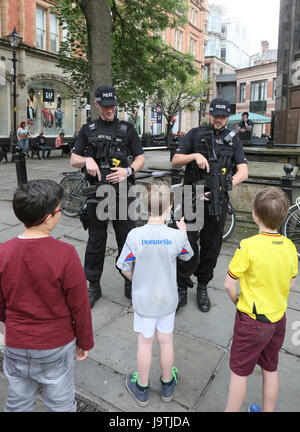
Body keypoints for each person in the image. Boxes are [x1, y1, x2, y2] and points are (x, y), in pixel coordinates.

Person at [0, 179, 94, 412]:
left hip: (16, 342)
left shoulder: (3, 251)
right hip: (56, 344)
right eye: (59, 209)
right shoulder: (65, 254)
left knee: (18, 402)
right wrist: (84, 341)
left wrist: (8, 322)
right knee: (60, 402)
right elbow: (80, 305)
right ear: (49, 217)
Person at [117, 182, 193, 406]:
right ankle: (168, 384)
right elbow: (187, 256)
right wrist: (184, 234)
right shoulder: (176, 237)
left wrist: (137, 280)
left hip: (143, 300)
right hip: (167, 299)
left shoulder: (134, 235)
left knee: (145, 342)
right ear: (170, 208)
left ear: (143, 206)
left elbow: (124, 266)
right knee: (166, 341)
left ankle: (141, 387)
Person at [224, 187, 298, 412]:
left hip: (252, 321)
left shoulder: (249, 246)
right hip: (278, 320)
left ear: (255, 215)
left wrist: (237, 300)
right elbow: (291, 283)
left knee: (239, 373)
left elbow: (228, 284)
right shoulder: (290, 247)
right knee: (270, 368)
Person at [71, 85, 144, 308]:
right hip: (97, 195)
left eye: (113, 105)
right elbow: (74, 159)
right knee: (96, 241)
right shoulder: (88, 129)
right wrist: (87, 160)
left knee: (127, 240)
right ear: (97, 105)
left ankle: (129, 281)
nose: (110, 109)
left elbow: (140, 158)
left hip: (123, 194)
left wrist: (128, 170)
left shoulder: (127, 128)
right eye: (106, 106)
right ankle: (93, 284)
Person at [172, 98, 248, 312]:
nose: (218, 120)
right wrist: (195, 155)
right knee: (185, 242)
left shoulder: (233, 140)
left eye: (223, 117)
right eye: (215, 115)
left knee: (211, 245)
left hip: (217, 199)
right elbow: (175, 160)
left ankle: (203, 284)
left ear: (227, 117)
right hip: (190, 195)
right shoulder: (194, 134)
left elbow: (243, 171)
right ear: (209, 114)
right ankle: (182, 286)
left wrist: (223, 186)